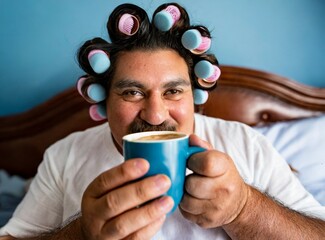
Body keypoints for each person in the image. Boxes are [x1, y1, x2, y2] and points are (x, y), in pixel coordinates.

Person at [1, 3, 325, 239]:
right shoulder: (65, 155)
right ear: (106, 101)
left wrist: (245, 209)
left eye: (173, 91)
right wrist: (81, 234)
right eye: (132, 93)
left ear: (193, 98)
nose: (155, 115)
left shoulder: (246, 144)